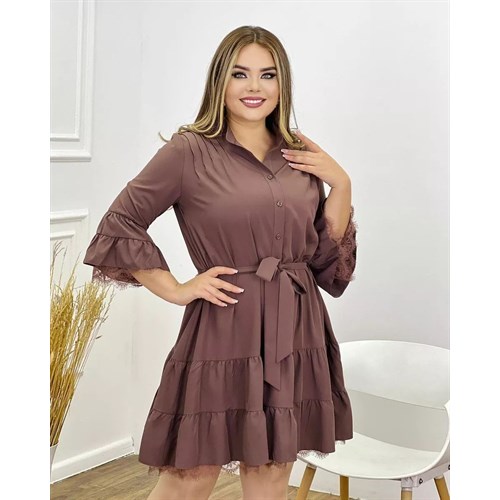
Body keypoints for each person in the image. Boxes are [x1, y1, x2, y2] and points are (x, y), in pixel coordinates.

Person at [83, 25, 358, 500]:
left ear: (282, 83)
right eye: (240, 73)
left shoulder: (299, 153)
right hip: (225, 323)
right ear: (219, 81)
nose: (255, 87)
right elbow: (121, 222)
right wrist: (175, 288)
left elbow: (326, 264)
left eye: (268, 75)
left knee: (272, 468)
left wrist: (342, 184)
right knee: (190, 472)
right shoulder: (188, 151)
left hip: (296, 325)